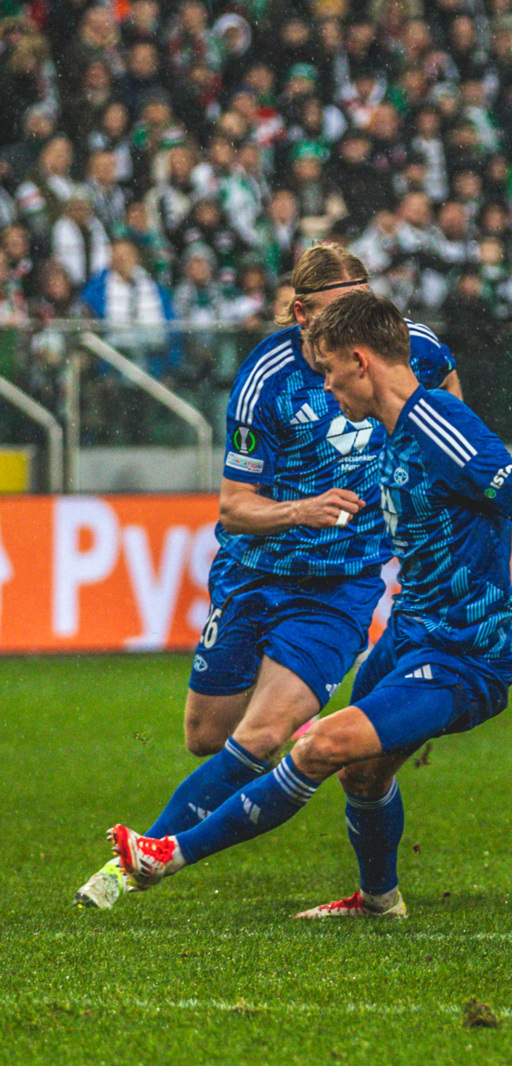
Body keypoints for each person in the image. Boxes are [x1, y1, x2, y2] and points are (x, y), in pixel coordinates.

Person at [107, 292, 512, 913]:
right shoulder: (387, 434)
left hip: (464, 655)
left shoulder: (444, 432)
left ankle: (167, 855)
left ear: (360, 361)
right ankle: (378, 900)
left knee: (319, 746)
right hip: (406, 636)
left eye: (329, 372)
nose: (325, 386)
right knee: (362, 773)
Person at [74, 245, 461, 910]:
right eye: (342, 312)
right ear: (302, 313)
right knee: (208, 736)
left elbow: (452, 417)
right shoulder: (265, 381)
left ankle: (135, 866)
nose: (359, 326)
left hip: (340, 587)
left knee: (260, 735)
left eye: (365, 305)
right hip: (254, 575)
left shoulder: (408, 348)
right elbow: (233, 505)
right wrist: (301, 511)